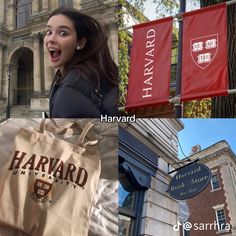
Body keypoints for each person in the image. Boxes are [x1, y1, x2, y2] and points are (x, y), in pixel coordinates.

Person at [44, 8, 118, 118]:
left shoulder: (70, 93)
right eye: (49, 32)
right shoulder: (92, 74)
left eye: (63, 33)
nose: (51, 39)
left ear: (80, 43)